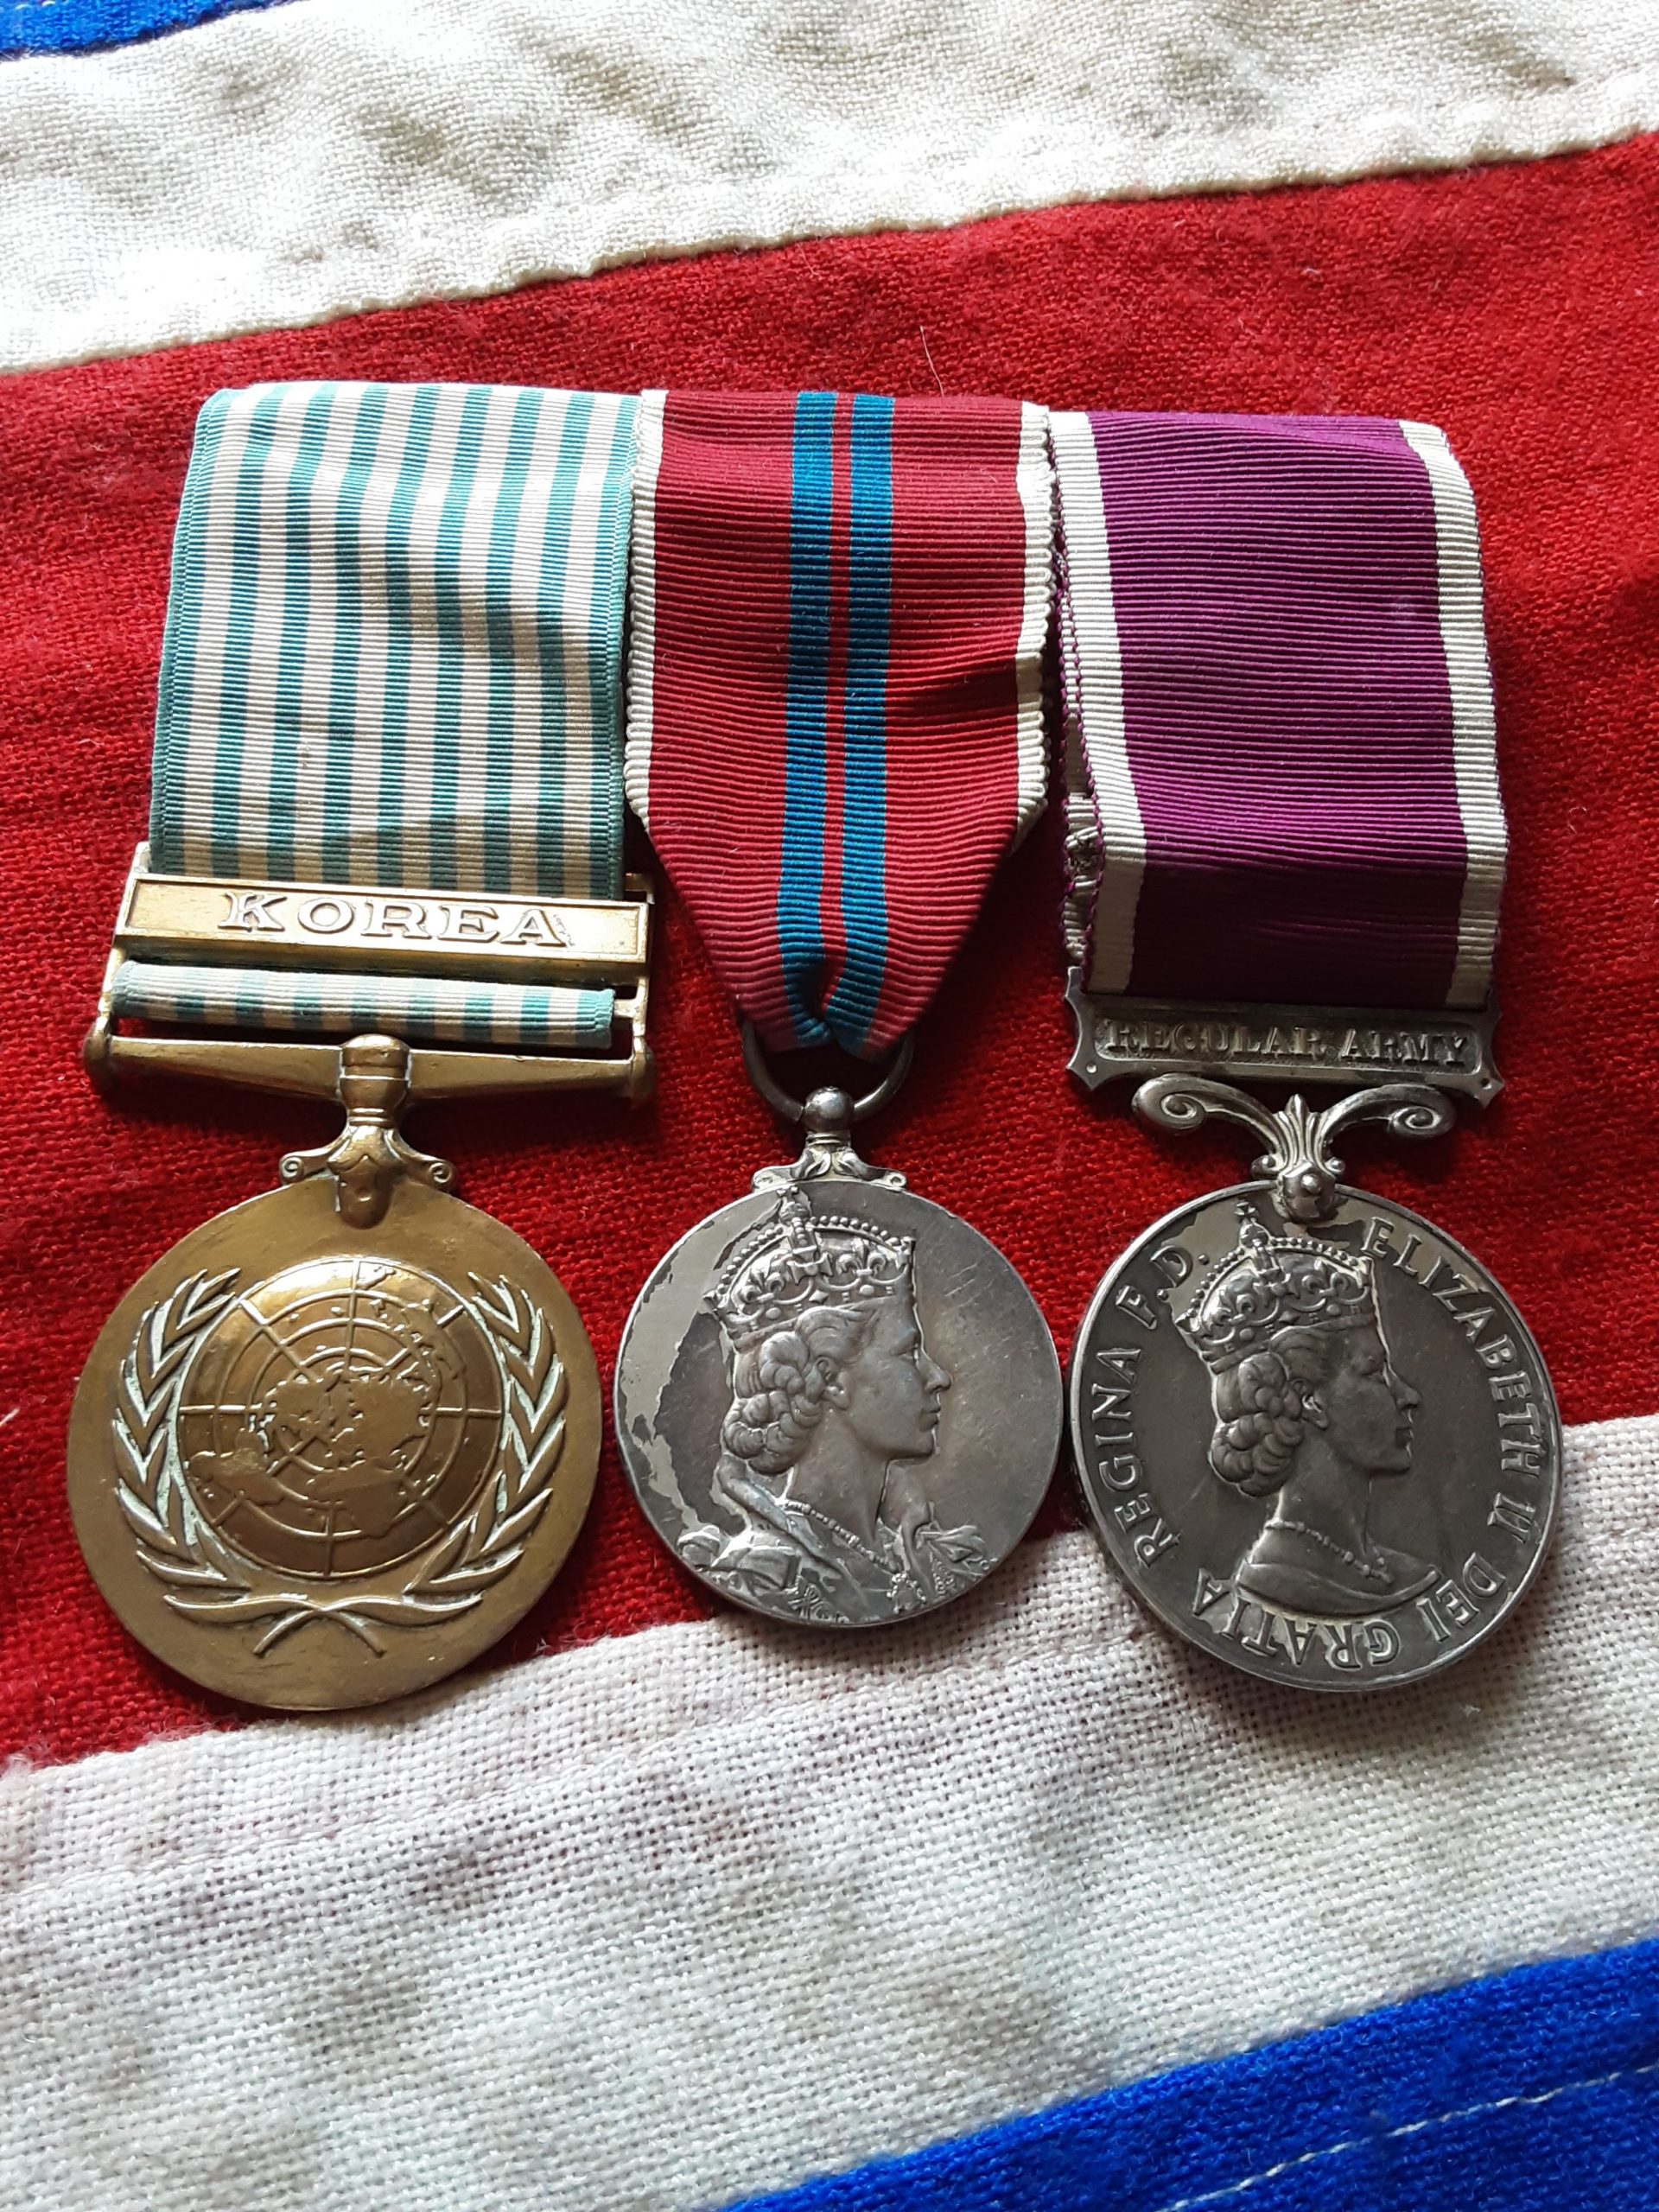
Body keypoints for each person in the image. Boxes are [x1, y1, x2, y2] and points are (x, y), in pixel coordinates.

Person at [686, 1189, 984, 1624]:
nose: (938, 1377)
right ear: (832, 1381)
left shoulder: (919, 1552)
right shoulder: (764, 1575)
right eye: (908, 1353)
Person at [1182, 1211, 1433, 1617]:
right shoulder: (1280, 1577)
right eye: (1373, 1372)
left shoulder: (1405, 1570)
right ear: (1309, 1400)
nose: (1408, 1396)